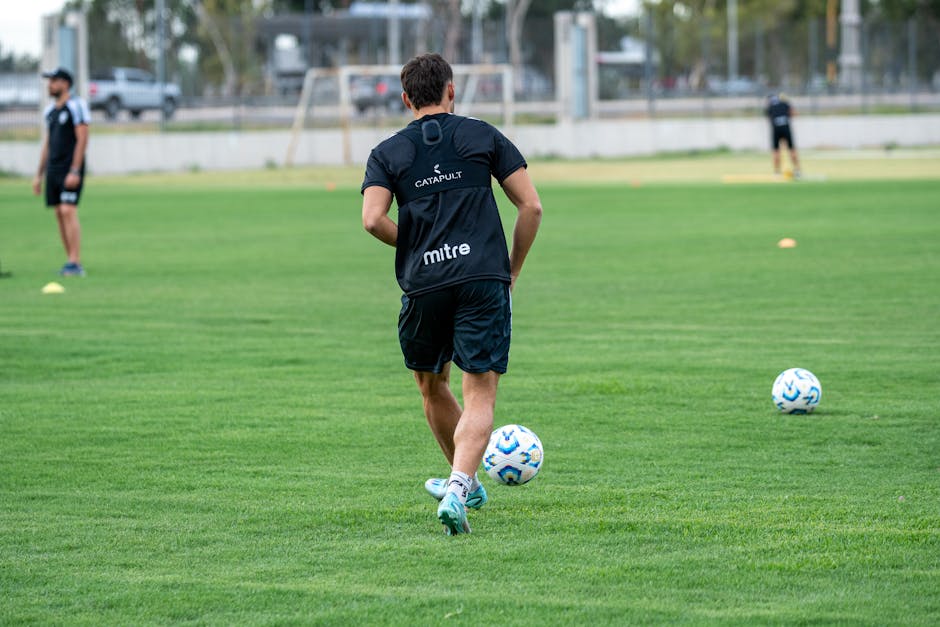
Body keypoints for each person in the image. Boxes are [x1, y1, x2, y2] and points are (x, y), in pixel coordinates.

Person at [361, 53, 542, 535]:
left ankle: (464, 484)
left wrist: (418, 244)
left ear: (405, 99)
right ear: (451, 91)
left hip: (425, 283)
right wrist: (512, 271)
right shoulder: (482, 135)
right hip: (483, 278)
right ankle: (463, 486)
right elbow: (531, 207)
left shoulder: (388, 152)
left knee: (430, 384)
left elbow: (372, 218)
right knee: (479, 388)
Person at [33, 67, 90, 277]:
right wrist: (39, 174)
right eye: (49, 81)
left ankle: (76, 262)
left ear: (66, 84)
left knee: (68, 210)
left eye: (54, 81)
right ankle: (70, 261)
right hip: (53, 170)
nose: (50, 85)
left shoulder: (77, 106)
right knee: (59, 213)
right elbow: (47, 144)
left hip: (70, 168)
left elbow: (83, 138)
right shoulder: (50, 112)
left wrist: (75, 169)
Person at [765, 93, 801, 178]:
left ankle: (777, 172)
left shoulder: (770, 107)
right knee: (792, 149)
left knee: (776, 151)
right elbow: (794, 113)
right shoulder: (785, 104)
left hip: (776, 129)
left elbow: (769, 118)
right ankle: (797, 171)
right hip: (786, 128)